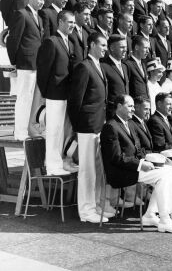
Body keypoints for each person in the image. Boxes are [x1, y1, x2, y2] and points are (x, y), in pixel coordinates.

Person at [100, 95, 172, 233]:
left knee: (171, 170)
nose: (133, 109)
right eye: (129, 106)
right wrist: (141, 164)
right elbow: (116, 157)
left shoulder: (129, 123)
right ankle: (166, 219)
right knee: (163, 176)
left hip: (133, 168)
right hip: (121, 172)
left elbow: (138, 150)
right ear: (119, 106)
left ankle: (152, 214)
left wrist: (155, 158)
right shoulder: (110, 127)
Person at [67, 32, 109, 224]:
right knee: (87, 171)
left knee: (97, 170)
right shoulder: (84, 67)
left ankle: (96, 206)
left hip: (98, 125)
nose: (105, 49)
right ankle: (86, 211)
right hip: (86, 127)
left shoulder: (98, 66)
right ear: (91, 45)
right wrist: (79, 128)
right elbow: (76, 100)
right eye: (102, 45)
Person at [36, 10, 77, 175]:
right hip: (54, 94)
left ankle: (57, 163)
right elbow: (43, 71)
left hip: (65, 94)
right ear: (60, 22)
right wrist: (46, 93)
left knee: (61, 130)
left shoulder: (70, 42)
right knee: (53, 130)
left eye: (74, 23)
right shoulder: (51, 42)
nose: (72, 26)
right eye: (69, 22)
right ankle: (52, 167)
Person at [7, 0, 46, 140]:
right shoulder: (21, 14)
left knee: (32, 99)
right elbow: (13, 40)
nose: (42, 2)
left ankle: (29, 130)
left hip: (37, 64)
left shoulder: (39, 17)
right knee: (24, 98)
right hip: (25, 64)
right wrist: (15, 62)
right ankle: (20, 132)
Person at [101, 35, 129, 119]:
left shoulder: (124, 66)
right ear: (112, 48)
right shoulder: (103, 66)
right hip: (111, 113)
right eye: (122, 47)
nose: (125, 50)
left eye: (126, 47)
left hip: (124, 113)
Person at [125, 35, 150, 100]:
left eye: (148, 48)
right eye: (145, 48)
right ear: (136, 47)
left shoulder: (143, 64)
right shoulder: (127, 64)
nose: (148, 51)